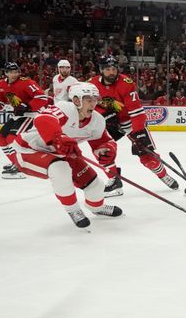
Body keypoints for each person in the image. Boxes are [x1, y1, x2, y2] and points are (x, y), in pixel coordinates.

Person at [11, 82, 122, 228]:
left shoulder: (97, 120)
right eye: (89, 99)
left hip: (62, 153)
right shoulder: (66, 108)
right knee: (60, 169)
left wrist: (106, 150)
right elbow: (42, 119)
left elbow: (105, 141)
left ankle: (97, 207)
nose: (94, 103)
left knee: (96, 185)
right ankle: (73, 210)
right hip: (28, 150)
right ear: (76, 100)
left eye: (95, 99)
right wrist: (58, 138)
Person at [89, 55, 178, 196]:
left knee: (147, 157)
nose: (111, 72)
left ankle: (163, 174)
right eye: (107, 69)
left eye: (113, 69)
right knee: (102, 150)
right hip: (110, 123)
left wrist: (139, 133)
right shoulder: (91, 85)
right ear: (101, 70)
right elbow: (91, 106)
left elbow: (137, 112)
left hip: (130, 121)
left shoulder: (126, 83)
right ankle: (114, 180)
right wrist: (104, 116)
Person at [0, 62, 51, 179]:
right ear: (6, 73)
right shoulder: (2, 85)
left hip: (32, 114)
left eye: (16, 72)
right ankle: (16, 162)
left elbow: (42, 97)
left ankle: (20, 165)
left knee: (11, 138)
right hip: (18, 115)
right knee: (0, 138)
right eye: (11, 72)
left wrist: (28, 106)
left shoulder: (27, 82)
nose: (14, 74)